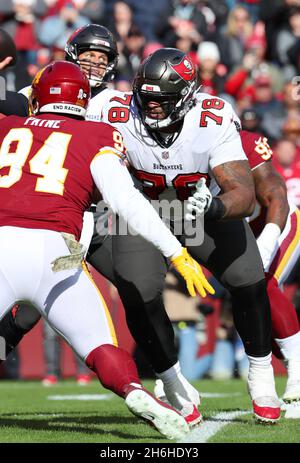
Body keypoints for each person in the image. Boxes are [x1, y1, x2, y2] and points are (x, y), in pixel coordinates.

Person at [0, 25, 207, 427]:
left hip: (18, 234)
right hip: (62, 240)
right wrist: (177, 252)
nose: (94, 63)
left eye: (102, 57)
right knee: (95, 341)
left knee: (132, 287)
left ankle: (171, 378)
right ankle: (137, 390)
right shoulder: (98, 132)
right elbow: (127, 200)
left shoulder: (10, 124)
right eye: (87, 56)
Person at [97, 48, 280, 424]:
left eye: (160, 100)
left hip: (198, 207)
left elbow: (243, 194)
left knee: (249, 277)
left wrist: (214, 207)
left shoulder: (211, 117)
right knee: (137, 290)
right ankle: (172, 380)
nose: (150, 107)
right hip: (142, 210)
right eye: (144, 98)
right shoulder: (111, 109)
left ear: (185, 97)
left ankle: (261, 373)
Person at [188, 129, 300, 402]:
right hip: (234, 232)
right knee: (251, 303)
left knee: (263, 283)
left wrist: (269, 238)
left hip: (275, 223)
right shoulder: (183, 147)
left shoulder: (246, 143)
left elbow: (277, 195)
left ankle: (298, 370)